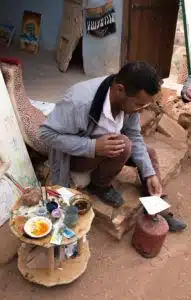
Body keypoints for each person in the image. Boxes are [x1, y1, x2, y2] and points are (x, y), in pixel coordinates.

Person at [40, 61, 186, 232]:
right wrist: (92, 146)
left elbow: (134, 135)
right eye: (139, 105)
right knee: (124, 145)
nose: (140, 111)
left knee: (148, 156)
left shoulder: (128, 100)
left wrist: (149, 173)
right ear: (120, 90)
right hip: (76, 156)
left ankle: (156, 207)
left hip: (104, 148)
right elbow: (46, 134)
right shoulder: (79, 101)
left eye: (145, 106)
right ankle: (100, 185)